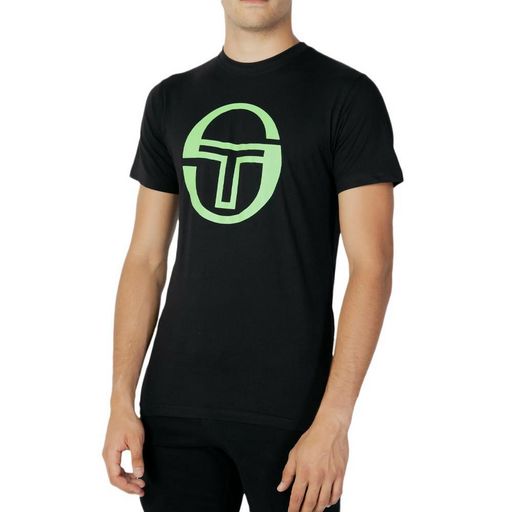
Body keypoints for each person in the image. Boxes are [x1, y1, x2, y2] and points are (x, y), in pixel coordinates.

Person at [102, 1, 404, 510]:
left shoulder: (347, 96)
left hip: (294, 417)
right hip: (173, 411)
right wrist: (119, 399)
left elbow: (372, 267)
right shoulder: (170, 99)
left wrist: (334, 421)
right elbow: (145, 260)